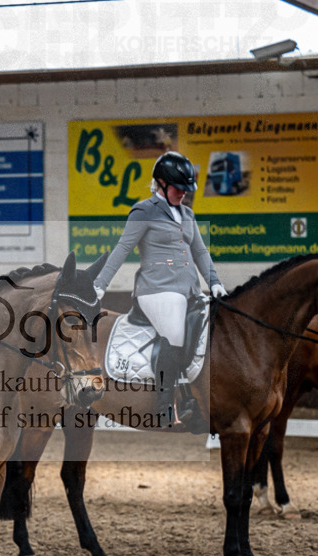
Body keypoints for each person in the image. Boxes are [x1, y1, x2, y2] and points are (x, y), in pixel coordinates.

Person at [93, 151, 227, 426]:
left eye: (187, 189)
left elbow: (200, 252)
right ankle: (166, 407)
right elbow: (123, 248)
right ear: (161, 184)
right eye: (178, 188)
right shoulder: (144, 211)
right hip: (156, 290)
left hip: (189, 290)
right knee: (175, 333)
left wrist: (214, 282)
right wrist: (100, 285)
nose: (184, 193)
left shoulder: (187, 213)